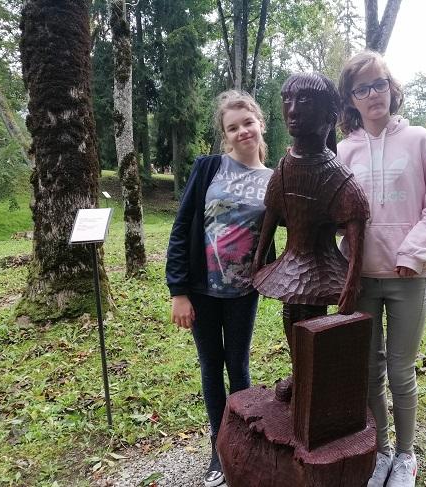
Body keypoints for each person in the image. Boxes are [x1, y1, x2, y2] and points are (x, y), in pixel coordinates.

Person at [337, 51, 426, 487]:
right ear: (351, 99)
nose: (373, 94)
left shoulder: (421, 141)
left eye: (380, 83)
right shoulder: (343, 151)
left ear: (392, 87)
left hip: (409, 277)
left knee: (401, 371)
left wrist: (413, 254)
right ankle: (381, 451)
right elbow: (337, 216)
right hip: (362, 278)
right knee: (369, 371)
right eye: (362, 88)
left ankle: (406, 455)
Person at [166, 90, 274, 487]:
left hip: (244, 292)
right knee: (211, 365)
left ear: (260, 124)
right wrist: (178, 291)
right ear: (225, 135)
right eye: (232, 127)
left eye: (247, 123)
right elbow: (182, 228)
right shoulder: (209, 168)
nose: (242, 131)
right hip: (202, 290)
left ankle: (241, 440)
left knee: (238, 366)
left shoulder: (274, 180)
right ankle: (219, 446)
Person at [251, 73, 369, 399]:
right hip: (292, 261)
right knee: (290, 313)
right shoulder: (285, 166)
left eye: (304, 100)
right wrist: (259, 258)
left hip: (321, 264)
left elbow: (357, 223)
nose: (292, 110)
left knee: (313, 321)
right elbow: (272, 212)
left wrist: (351, 282)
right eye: (287, 100)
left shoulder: (337, 176)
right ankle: (300, 373)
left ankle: (313, 380)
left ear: (329, 116)